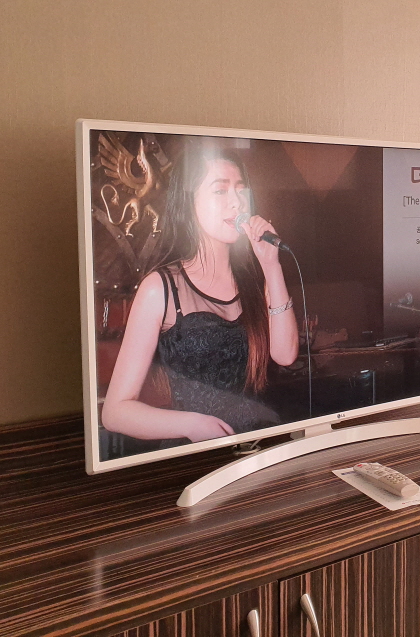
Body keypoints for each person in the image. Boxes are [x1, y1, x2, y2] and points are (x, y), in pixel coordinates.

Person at [102, 138, 299, 444]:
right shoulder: (160, 287)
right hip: (199, 454)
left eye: (241, 189)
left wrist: (271, 266)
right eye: (220, 190)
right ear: (189, 202)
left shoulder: (255, 278)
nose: (237, 202)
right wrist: (191, 424)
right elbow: (115, 412)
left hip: (264, 447)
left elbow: (285, 355)